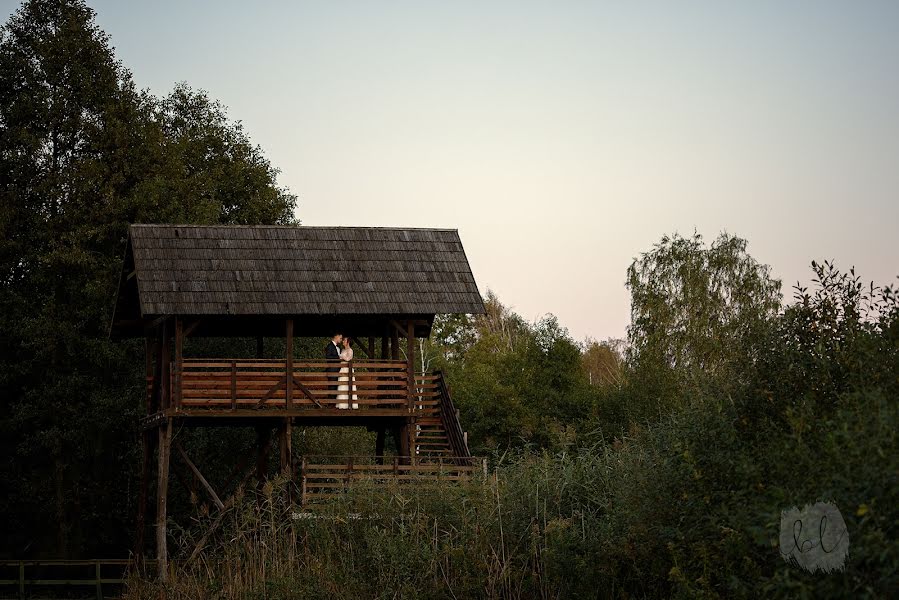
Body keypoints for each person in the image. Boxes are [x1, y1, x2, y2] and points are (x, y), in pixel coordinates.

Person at [336, 337, 359, 409]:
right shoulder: (343, 350)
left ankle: (350, 404)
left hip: (347, 370)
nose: (343, 341)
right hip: (342, 369)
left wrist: (340, 355)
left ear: (348, 342)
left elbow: (348, 358)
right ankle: (342, 404)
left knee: (348, 386)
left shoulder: (350, 350)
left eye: (345, 340)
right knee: (342, 385)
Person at [325, 332, 343, 404]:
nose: (341, 340)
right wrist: (338, 358)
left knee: (336, 387)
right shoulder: (330, 346)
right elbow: (328, 357)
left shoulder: (338, 347)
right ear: (336, 336)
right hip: (332, 370)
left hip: (338, 370)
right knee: (332, 387)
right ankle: (331, 404)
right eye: (340, 338)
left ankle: (334, 403)